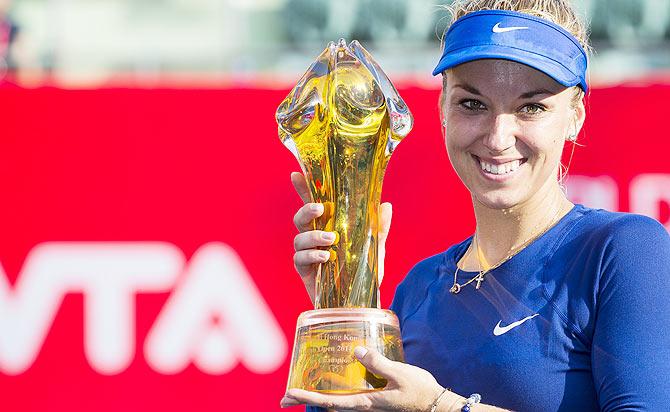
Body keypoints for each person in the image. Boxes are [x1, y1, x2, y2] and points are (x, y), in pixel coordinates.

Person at [281, 0, 670, 410]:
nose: (499, 137)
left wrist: (440, 406)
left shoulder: (624, 251)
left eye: (531, 107)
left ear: (575, 115)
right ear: (442, 107)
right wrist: (343, 310)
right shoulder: (418, 288)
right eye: (473, 104)